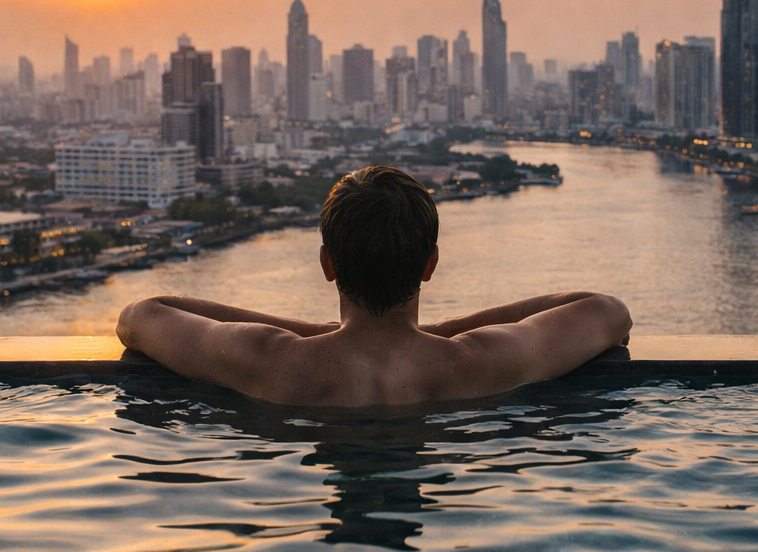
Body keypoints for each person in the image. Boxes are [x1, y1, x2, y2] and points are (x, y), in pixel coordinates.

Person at [116, 165, 631, 406]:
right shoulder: (477, 360)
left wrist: (311, 334)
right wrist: (444, 333)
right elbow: (608, 313)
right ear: (429, 264)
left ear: (327, 265)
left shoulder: (271, 359)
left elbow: (141, 316)